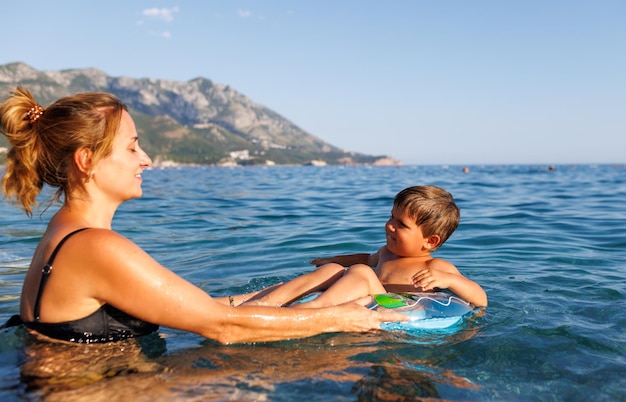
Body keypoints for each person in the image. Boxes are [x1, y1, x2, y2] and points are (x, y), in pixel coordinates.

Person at [0, 87, 406, 344]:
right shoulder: (94, 246)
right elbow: (222, 327)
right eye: (132, 148)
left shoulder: (69, 233)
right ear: (87, 160)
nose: (146, 159)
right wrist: (339, 319)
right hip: (108, 400)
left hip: (98, 388)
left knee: (339, 287)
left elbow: (194, 308)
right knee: (340, 365)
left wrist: (297, 287)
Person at [242, 185, 488, 308]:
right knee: (335, 271)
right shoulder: (385, 253)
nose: (389, 225)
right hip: (372, 303)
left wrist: (450, 281)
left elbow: (481, 299)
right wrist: (333, 260)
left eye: (400, 224)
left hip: (400, 310)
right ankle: (262, 305)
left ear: (430, 241)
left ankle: (306, 311)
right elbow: (364, 258)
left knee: (360, 273)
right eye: (391, 217)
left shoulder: (434, 266)